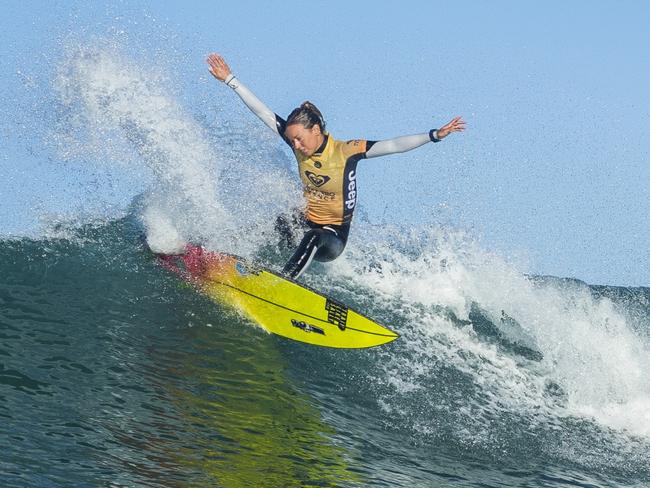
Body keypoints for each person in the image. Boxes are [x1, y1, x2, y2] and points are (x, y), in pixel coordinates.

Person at [206, 53, 465, 279]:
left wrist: (434, 135)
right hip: (305, 221)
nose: (295, 145)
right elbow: (263, 112)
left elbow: (393, 145)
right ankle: (220, 256)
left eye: (299, 138)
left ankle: (283, 283)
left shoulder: (345, 151)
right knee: (277, 224)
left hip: (332, 237)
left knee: (313, 237)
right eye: (291, 139)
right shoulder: (298, 147)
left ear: (316, 130)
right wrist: (230, 79)